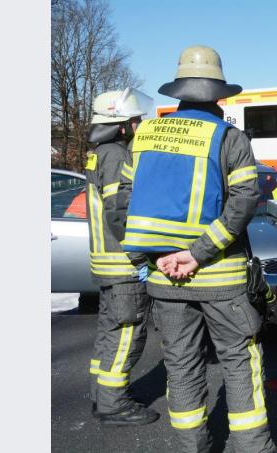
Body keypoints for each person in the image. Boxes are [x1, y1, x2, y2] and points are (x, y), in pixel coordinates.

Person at [115, 46, 277, 452]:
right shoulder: (230, 138)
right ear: (218, 94)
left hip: (163, 280)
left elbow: (121, 204)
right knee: (240, 362)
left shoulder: (144, 136)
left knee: (182, 367)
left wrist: (148, 258)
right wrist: (198, 254)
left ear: (180, 92)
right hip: (222, 279)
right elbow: (244, 201)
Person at [85, 88, 159, 426]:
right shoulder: (116, 155)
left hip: (106, 263)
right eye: (134, 119)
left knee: (108, 332)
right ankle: (114, 404)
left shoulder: (100, 153)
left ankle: (103, 395)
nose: (138, 123)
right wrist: (140, 255)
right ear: (120, 124)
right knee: (128, 331)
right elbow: (120, 212)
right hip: (122, 264)